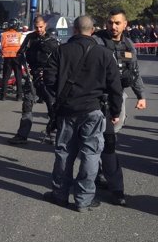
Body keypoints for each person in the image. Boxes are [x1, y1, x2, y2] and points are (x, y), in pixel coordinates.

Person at [43, 15, 123, 212]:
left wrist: (61, 95)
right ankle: (84, 200)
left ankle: (60, 195)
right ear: (92, 30)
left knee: (64, 153)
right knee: (91, 155)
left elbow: (48, 79)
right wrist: (115, 111)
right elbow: (115, 87)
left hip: (67, 110)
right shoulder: (104, 54)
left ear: (74, 30)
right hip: (94, 110)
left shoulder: (60, 51)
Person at [93, 7, 147, 207]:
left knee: (112, 134)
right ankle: (105, 177)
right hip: (98, 96)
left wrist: (140, 95)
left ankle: (101, 168)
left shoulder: (128, 45)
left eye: (117, 23)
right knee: (104, 139)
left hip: (118, 97)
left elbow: (134, 71)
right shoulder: (97, 41)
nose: (113, 26)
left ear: (125, 24)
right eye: (110, 22)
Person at [8, 16, 59, 145]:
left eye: (41, 27)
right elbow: (21, 52)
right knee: (27, 105)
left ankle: (53, 134)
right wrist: (22, 62)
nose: (39, 29)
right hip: (33, 76)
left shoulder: (51, 40)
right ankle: (22, 135)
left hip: (48, 77)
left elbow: (58, 59)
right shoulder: (30, 38)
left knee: (52, 106)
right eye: (36, 27)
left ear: (45, 25)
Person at [0, 19, 23, 100]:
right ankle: (19, 96)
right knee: (18, 76)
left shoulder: (4, 34)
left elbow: (2, 46)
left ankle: (3, 96)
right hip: (17, 57)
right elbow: (22, 46)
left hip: (7, 57)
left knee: (6, 77)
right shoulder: (19, 35)